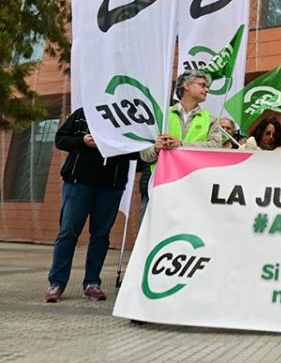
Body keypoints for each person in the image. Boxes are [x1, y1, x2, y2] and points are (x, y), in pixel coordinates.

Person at [44, 108, 136, 303]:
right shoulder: (83, 113)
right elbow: (60, 139)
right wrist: (81, 141)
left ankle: (92, 283)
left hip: (111, 186)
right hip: (78, 183)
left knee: (101, 236)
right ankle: (57, 283)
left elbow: (138, 154)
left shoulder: (130, 116)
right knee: (68, 233)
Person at [139, 69, 222, 224]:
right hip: (159, 186)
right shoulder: (161, 115)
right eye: (202, 85)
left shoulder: (210, 119)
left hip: (193, 188)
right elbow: (144, 154)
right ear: (186, 85)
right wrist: (156, 148)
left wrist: (182, 145)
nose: (207, 89)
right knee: (149, 236)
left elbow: (216, 148)